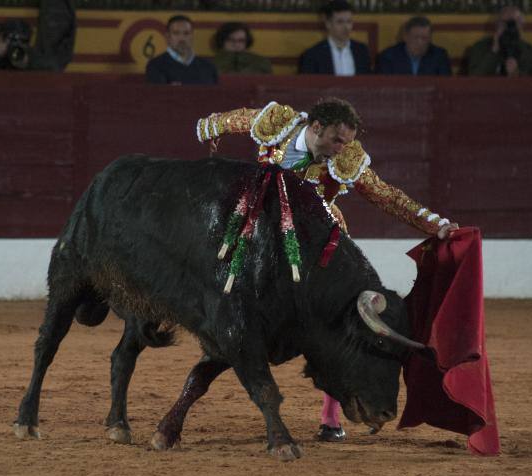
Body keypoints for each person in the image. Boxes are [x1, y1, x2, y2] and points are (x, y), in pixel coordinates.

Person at [196, 98, 457, 442]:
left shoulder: (348, 159)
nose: (340, 149)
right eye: (336, 140)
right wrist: (209, 127)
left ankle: (331, 418)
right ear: (316, 127)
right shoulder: (278, 123)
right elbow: (237, 120)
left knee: (337, 320)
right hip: (263, 229)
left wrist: (433, 224)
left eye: (346, 142)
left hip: (318, 243)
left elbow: (387, 196)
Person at [461, 5, 532, 77]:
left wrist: (518, 75)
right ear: (496, 25)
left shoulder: (531, 53)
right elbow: (474, 79)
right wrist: (493, 52)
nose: (509, 28)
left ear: (522, 26)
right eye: (504, 23)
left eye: (513, 24)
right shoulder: (480, 48)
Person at [298, 0, 371, 76]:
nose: (346, 27)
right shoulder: (312, 56)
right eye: (340, 22)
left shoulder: (362, 51)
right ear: (328, 24)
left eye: (349, 22)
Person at [146, 15, 218, 85]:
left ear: (192, 36)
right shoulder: (156, 66)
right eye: (176, 33)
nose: (182, 38)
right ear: (167, 37)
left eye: (186, 33)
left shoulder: (208, 66)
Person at [376, 16, 451, 76]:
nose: (420, 42)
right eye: (415, 37)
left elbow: (445, 86)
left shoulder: (439, 56)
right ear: (405, 37)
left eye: (424, 38)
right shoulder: (388, 57)